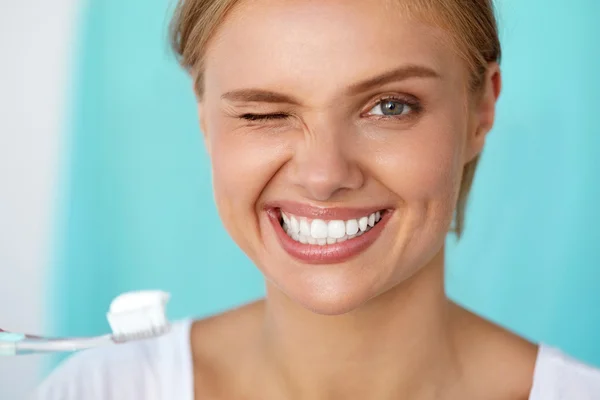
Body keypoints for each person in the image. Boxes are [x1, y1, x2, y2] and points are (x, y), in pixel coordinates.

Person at [33, 0, 600, 398]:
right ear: (205, 118)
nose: (324, 175)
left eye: (390, 106)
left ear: (481, 109)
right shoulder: (98, 390)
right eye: (264, 113)